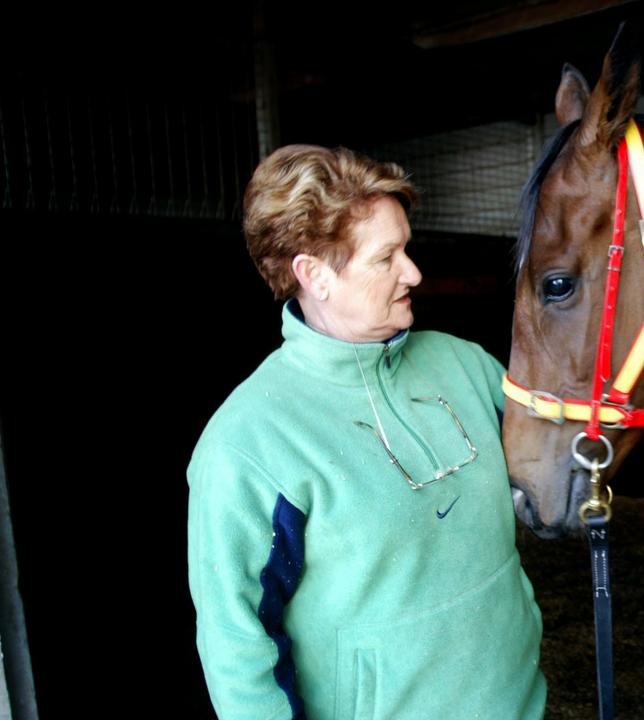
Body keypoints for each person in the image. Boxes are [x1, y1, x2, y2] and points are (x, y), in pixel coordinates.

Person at [187, 145, 546, 719]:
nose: (414, 272)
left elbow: (562, 460)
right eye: (387, 258)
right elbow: (236, 646)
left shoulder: (464, 364)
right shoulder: (247, 444)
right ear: (314, 275)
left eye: (407, 247)